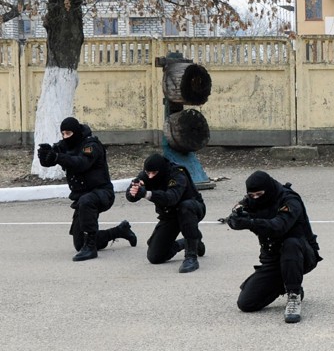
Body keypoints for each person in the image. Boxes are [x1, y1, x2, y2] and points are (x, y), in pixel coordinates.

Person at [225, 171, 322, 323]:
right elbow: (232, 218)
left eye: (259, 194)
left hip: (301, 255)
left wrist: (251, 223)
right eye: (252, 195)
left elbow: (279, 226)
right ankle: (287, 282)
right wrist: (236, 220)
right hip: (272, 258)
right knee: (246, 303)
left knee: (290, 243)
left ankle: (294, 294)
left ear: (268, 189)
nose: (256, 198)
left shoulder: (289, 199)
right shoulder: (250, 200)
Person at [36, 116, 136, 261]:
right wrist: (45, 155)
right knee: (79, 244)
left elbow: (81, 163)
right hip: (81, 197)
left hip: (102, 193)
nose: (65, 137)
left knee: (86, 201)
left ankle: (91, 248)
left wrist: (58, 157)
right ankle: (120, 231)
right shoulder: (64, 145)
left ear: (76, 132)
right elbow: (50, 160)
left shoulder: (91, 145)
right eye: (63, 134)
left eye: (68, 133)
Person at [126, 153, 206, 273]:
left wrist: (146, 194)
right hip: (170, 215)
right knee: (155, 257)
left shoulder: (177, 174)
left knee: (185, 207)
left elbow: (171, 198)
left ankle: (191, 256)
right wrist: (134, 191)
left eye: (154, 173)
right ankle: (189, 242)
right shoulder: (145, 175)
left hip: (192, 209)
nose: (150, 176)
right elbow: (130, 195)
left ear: (162, 170)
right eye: (148, 173)